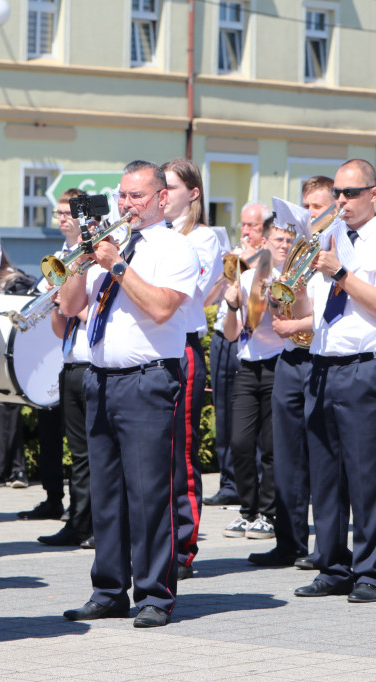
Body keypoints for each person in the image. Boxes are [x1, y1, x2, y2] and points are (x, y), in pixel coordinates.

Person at [60, 160, 198, 628]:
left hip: (147, 380)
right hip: (100, 378)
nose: (125, 204)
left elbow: (161, 307)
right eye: (121, 196)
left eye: (136, 196)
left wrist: (114, 263)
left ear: (162, 199)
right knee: (108, 494)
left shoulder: (173, 248)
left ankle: (156, 594)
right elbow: (70, 306)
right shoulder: (110, 247)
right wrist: (81, 259)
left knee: (149, 493)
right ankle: (109, 589)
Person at [293, 159, 376, 604]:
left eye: (351, 194)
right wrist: (295, 284)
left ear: (374, 194)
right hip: (323, 363)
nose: (341, 202)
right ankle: (333, 566)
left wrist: (341, 274)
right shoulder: (329, 237)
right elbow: (315, 305)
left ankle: (371, 571)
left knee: (367, 475)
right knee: (324, 475)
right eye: (338, 194)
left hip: (366, 366)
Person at [247, 183, 327, 569]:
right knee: (286, 457)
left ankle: (326, 546)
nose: (310, 212)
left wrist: (296, 317)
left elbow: (332, 316)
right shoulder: (298, 252)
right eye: (306, 205)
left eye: (317, 206)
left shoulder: (333, 251)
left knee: (323, 456)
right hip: (291, 358)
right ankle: (289, 541)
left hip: (322, 358)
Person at [161, 159, 223, 579]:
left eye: (169, 187)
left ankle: (182, 545)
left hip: (181, 346)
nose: (162, 196)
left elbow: (188, 296)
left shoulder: (202, 239)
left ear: (193, 193)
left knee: (180, 453)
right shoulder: (151, 237)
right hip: (149, 349)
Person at [220, 207, 294, 542]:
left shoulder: (292, 280)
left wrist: (274, 299)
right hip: (249, 366)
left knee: (271, 445)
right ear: (266, 240)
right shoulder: (247, 276)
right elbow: (231, 333)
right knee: (239, 441)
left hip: (279, 364)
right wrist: (234, 305)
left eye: (289, 240)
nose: (284, 245)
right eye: (278, 238)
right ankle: (247, 510)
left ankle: (268, 512)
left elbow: (286, 329)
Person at [203, 201, 270, 507]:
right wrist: (230, 267)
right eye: (242, 225)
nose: (244, 231)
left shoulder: (268, 260)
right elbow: (212, 296)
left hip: (250, 341)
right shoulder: (235, 255)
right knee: (223, 412)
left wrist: (251, 264)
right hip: (223, 336)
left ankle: (252, 482)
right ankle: (228, 480)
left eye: (252, 226)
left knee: (247, 419)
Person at [40, 187, 95, 548]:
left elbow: (103, 314)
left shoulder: (95, 255)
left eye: (67, 213)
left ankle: (96, 525)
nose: (61, 219)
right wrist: (56, 305)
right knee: (77, 453)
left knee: (96, 453)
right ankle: (77, 522)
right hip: (71, 360)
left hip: (95, 360)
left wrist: (71, 303)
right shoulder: (61, 256)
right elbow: (61, 327)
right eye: (58, 213)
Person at [0, 253, 35, 487]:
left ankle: (10, 471)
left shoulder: (14, 282)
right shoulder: (4, 281)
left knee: (6, 408)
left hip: (8, 354)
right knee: (4, 409)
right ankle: (9, 470)